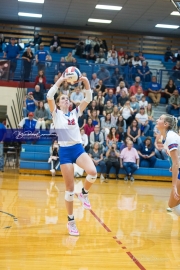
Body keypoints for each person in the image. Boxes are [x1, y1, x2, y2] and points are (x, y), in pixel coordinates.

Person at [47, 74, 97, 236]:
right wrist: (61, 80)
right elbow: (49, 96)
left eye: (67, 99)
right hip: (65, 151)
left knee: (93, 172)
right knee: (69, 190)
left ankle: (84, 193)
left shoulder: (75, 112)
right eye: (62, 98)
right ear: (59, 102)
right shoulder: (56, 114)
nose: (65, 100)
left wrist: (86, 82)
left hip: (77, 148)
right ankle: (71, 221)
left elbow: (88, 98)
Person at [156, 115, 180, 216]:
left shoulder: (170, 137)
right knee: (172, 205)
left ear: (166, 124)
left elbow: (176, 162)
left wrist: (174, 185)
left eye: (160, 119)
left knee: (173, 205)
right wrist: (172, 166)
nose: (157, 119)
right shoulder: (166, 137)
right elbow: (175, 159)